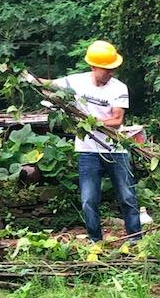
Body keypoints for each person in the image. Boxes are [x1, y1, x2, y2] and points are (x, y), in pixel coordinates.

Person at [54, 40, 141, 243]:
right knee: (88, 200)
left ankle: (136, 239)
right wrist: (26, 77)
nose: (111, 72)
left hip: (116, 150)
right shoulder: (76, 81)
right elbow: (48, 84)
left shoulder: (119, 88)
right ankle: (95, 240)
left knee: (127, 197)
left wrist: (92, 122)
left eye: (113, 69)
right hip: (87, 151)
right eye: (107, 69)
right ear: (93, 66)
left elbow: (117, 121)